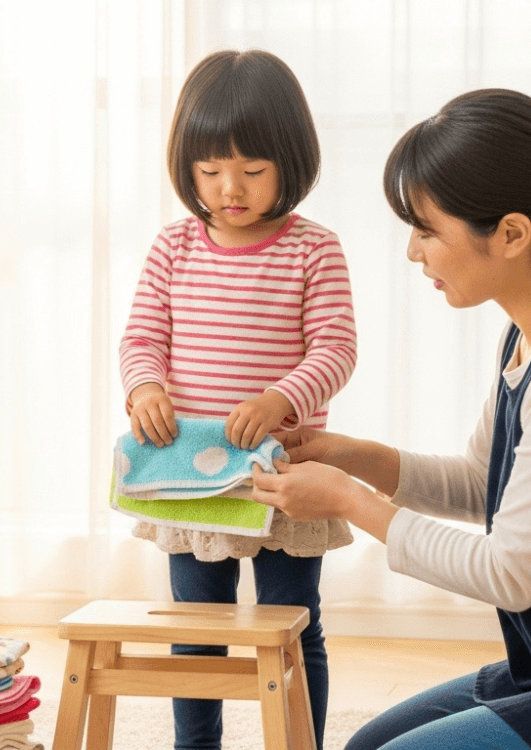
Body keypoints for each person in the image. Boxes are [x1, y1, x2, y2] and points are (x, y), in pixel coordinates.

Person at [251, 87, 531, 750]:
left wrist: (350, 503)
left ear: (511, 234)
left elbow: (511, 572)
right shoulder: (529, 336)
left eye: (426, 230)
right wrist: (348, 454)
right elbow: (484, 484)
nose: (414, 252)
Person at [118, 49, 358, 750]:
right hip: (193, 476)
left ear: (290, 162)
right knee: (198, 632)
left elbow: (336, 349)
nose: (230, 188)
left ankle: (300, 743)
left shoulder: (314, 250)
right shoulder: (172, 248)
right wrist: (144, 386)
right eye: (210, 170)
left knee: (293, 626)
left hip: (286, 476)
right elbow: (142, 338)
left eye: (252, 170)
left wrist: (281, 397)